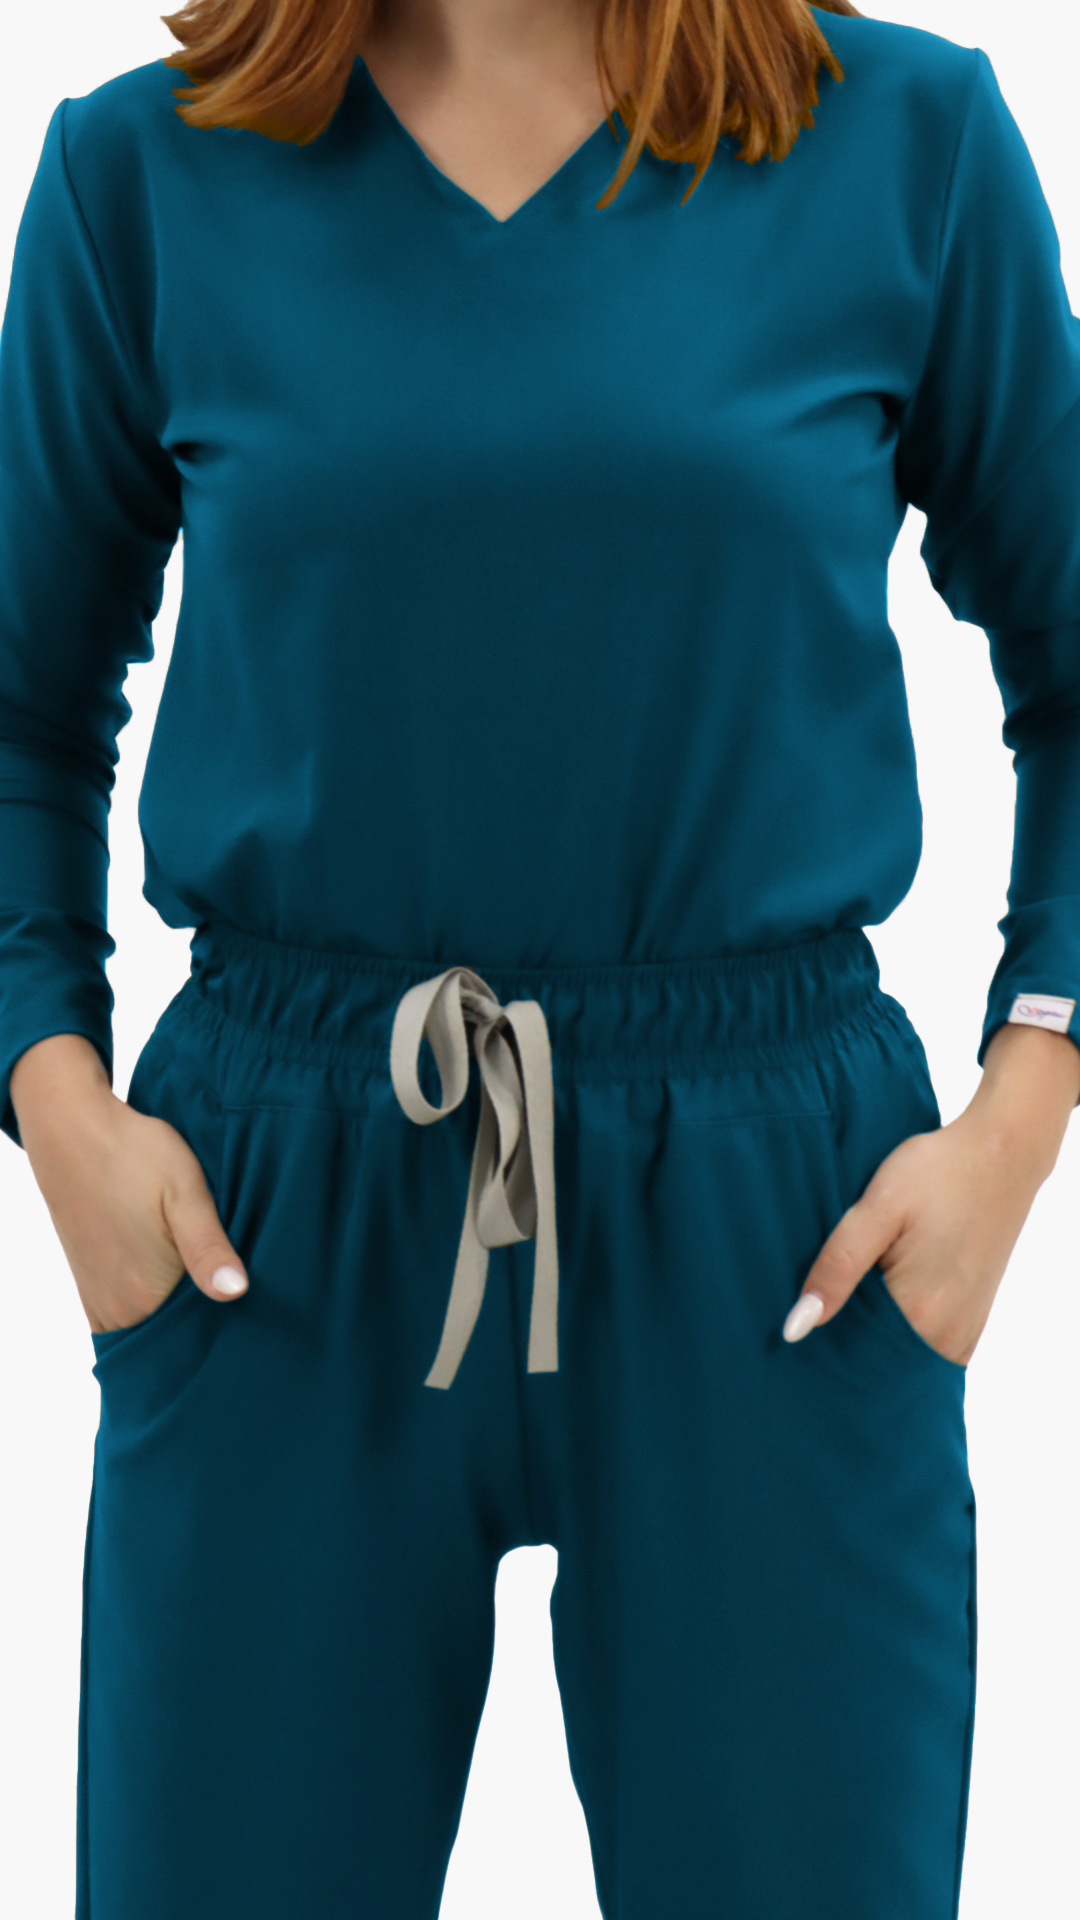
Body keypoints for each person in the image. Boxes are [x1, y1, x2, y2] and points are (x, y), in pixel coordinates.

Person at [1, 0, 1078, 1912]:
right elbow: (16, 709)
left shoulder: (907, 142)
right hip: (277, 1217)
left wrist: (1020, 1117)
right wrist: (53, 1092)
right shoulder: (141, 171)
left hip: (773, 1221)